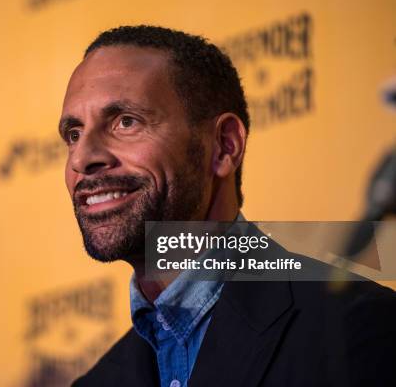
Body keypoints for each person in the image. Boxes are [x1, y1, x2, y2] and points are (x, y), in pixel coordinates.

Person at [58, 25, 396, 387]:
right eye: (73, 134)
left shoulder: (355, 328)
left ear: (224, 146)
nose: (82, 158)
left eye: (126, 122)